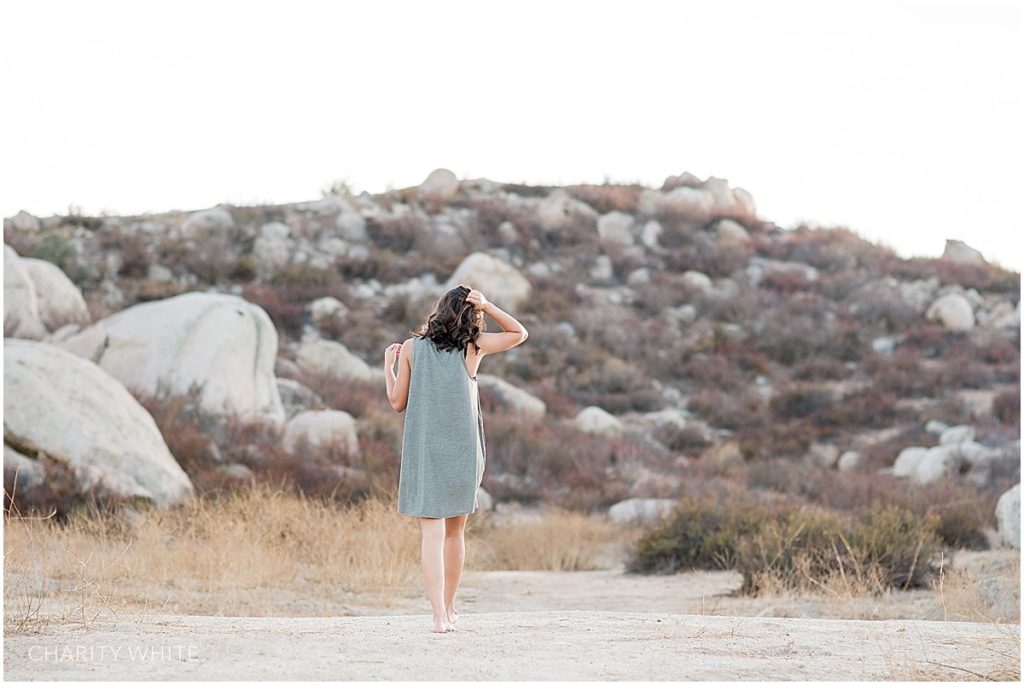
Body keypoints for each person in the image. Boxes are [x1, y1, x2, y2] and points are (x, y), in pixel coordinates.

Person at [383, 284, 529, 633]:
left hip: (424, 452)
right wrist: (489, 304)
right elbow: (518, 333)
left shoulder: (412, 349)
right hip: (462, 451)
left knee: (431, 536)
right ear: (470, 315)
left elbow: (396, 402)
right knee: (455, 535)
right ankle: (449, 609)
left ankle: (437, 617)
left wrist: (388, 365)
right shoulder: (473, 345)